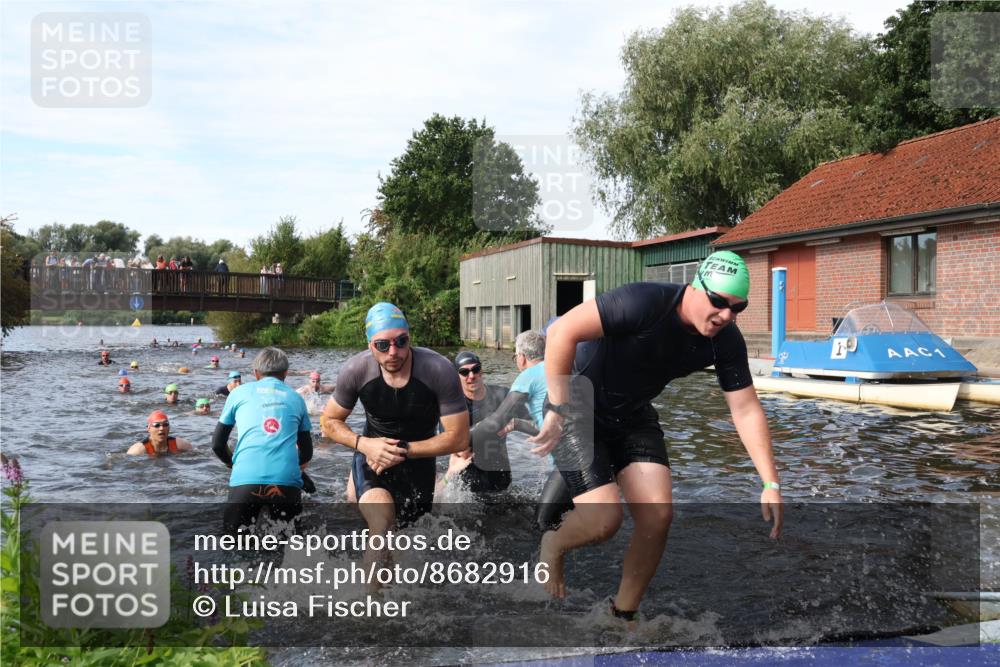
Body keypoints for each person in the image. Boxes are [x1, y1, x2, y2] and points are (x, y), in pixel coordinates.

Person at [529, 250, 783, 620]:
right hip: (577, 410)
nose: (726, 315)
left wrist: (770, 482)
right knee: (604, 522)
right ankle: (553, 543)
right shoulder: (644, 302)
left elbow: (744, 408)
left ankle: (623, 613)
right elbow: (561, 331)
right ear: (696, 288)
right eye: (718, 302)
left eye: (737, 308)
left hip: (633, 415)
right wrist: (557, 407)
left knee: (658, 515)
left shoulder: (725, 340)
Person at [321, 302, 468, 573]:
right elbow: (328, 421)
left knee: (405, 547)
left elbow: (458, 438)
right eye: (383, 345)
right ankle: (372, 607)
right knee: (381, 524)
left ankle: (399, 606)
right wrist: (364, 445)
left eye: (402, 341)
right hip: (371, 456)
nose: (394, 352)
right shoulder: (356, 370)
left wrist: (403, 450)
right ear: (369, 345)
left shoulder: (437, 369)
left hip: (419, 459)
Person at [212, 347, 313, 534]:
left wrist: (231, 463)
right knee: (288, 550)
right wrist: (294, 469)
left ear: (255, 373)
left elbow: (217, 444)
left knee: (234, 549)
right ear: (285, 374)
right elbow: (307, 451)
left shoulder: (238, 393)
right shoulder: (296, 398)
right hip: (286, 482)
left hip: (245, 480)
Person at [438, 351, 529, 495]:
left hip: (502, 477)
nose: (471, 376)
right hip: (469, 484)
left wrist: (517, 423)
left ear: (482, 371)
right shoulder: (451, 407)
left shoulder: (503, 395)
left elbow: (535, 422)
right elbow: (454, 444)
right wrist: (491, 424)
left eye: (475, 369)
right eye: (464, 372)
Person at [127, 411, 193, 457]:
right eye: (157, 425)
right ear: (149, 428)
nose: (162, 428)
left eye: (165, 424)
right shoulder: (137, 451)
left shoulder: (181, 445)